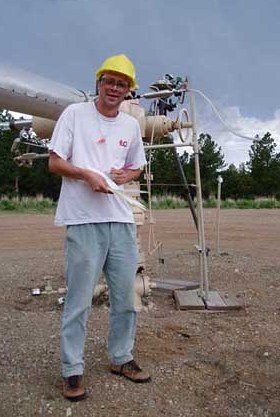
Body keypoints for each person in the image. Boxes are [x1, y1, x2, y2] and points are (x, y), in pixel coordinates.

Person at [48, 54, 150, 402]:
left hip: (120, 218)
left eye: (122, 84)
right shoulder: (75, 115)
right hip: (83, 219)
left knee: (126, 296)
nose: (115, 88)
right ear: (99, 83)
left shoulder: (131, 127)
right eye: (110, 81)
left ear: (128, 92)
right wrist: (86, 175)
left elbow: (137, 166)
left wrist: (127, 174)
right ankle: (71, 370)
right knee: (79, 300)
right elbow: (55, 162)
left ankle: (121, 358)